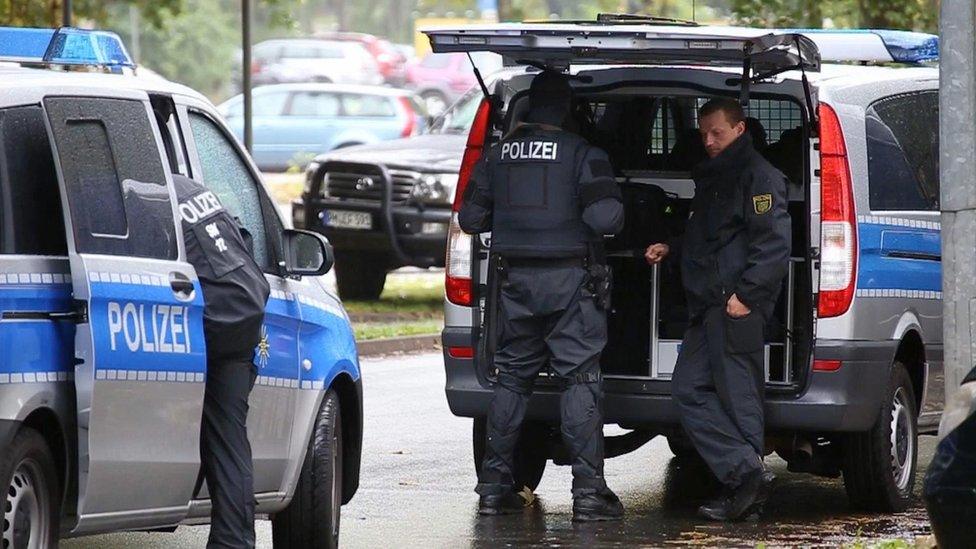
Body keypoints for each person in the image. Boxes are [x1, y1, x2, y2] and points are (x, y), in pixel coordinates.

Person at [458, 71, 626, 522]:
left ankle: (495, 489)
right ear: (569, 111)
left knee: (512, 379)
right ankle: (589, 495)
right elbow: (606, 217)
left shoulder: (497, 156)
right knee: (580, 380)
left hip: (514, 286)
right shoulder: (583, 154)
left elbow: (471, 218)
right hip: (571, 284)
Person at [645, 97, 790, 521]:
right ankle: (745, 475)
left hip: (734, 307)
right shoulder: (716, 176)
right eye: (703, 133)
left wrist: (746, 296)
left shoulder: (757, 176)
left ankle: (744, 486)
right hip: (708, 306)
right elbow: (711, 235)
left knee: (740, 397)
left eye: (717, 133)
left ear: (739, 129)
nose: (708, 141)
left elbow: (773, 244)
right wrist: (672, 245)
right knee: (688, 390)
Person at [173, 174, 271, 548]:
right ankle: (234, 540)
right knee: (229, 439)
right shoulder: (191, 188)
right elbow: (242, 238)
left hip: (214, 316)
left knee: (221, 434)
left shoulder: (146, 192)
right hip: (246, 306)